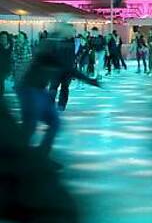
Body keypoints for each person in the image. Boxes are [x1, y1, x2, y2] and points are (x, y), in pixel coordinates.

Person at [18, 23, 99, 166]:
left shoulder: (63, 44)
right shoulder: (50, 44)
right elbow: (62, 64)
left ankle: (41, 154)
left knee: (54, 122)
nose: (72, 33)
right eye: (69, 30)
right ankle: (16, 159)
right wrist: (89, 80)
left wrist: (89, 80)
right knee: (30, 125)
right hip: (29, 89)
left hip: (39, 90)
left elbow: (67, 67)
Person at [49, 30, 77, 111]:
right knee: (54, 87)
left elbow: (73, 57)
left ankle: (61, 105)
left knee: (63, 87)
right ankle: (52, 104)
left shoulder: (73, 43)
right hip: (58, 69)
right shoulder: (58, 42)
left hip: (66, 69)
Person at [0, 32, 13, 99]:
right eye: (1, 37)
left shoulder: (10, 46)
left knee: (1, 81)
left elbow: (10, 56)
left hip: (5, 68)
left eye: (4, 37)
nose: (3, 39)